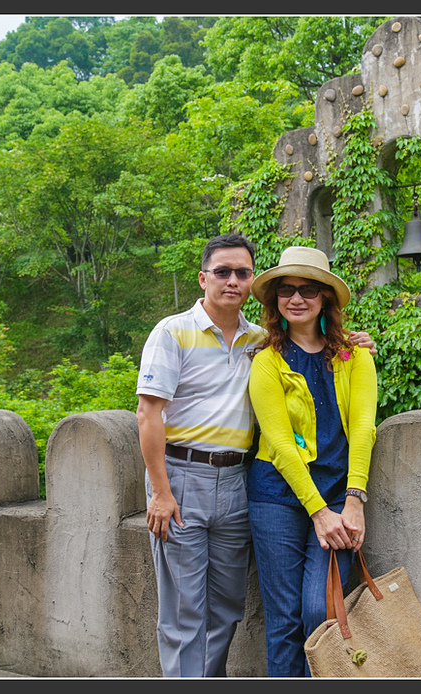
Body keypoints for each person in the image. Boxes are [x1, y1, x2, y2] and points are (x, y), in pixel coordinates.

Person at [136, 235, 374, 678]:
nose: (232, 281)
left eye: (242, 273)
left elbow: (357, 414)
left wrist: (353, 340)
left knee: (227, 608)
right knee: (186, 611)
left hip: (236, 484)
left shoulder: (257, 339)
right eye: (222, 272)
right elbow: (148, 414)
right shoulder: (178, 333)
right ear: (203, 277)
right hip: (188, 479)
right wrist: (160, 492)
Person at [246, 246, 377, 678]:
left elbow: (362, 428)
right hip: (278, 497)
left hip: (338, 496)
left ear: (325, 299)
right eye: (286, 290)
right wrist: (317, 511)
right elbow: (280, 444)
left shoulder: (355, 356)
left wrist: (353, 500)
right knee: (283, 620)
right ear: (275, 301)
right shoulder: (266, 362)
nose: (296, 298)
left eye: (308, 290)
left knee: (320, 609)